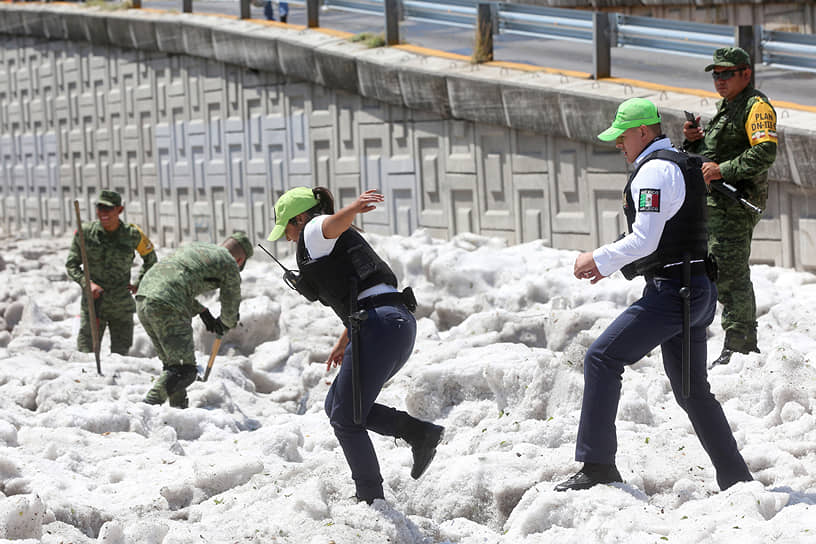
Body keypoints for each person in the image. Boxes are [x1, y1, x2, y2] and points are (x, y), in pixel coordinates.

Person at [555, 98, 752, 492]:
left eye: (622, 136)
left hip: (673, 294)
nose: (618, 144)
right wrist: (610, 263)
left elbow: (645, 239)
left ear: (643, 131)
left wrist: (597, 257)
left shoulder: (655, 171)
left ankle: (597, 465)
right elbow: (661, 236)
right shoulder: (676, 161)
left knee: (601, 358)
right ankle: (737, 479)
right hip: (695, 291)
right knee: (693, 392)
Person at [267, 186, 444, 504]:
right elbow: (362, 292)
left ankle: (370, 497)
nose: (289, 237)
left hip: (379, 327)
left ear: (301, 218)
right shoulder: (325, 239)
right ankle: (420, 434)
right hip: (393, 324)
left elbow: (329, 224)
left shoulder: (313, 229)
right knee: (336, 405)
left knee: (346, 419)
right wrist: (343, 341)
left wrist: (353, 208)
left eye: (288, 228)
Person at [683, 47, 778, 366]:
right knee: (719, 271)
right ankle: (736, 342)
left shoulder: (756, 107)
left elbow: (765, 152)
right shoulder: (727, 108)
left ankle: (741, 346)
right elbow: (711, 154)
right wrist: (695, 141)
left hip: (737, 204)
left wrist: (724, 170)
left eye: (726, 74)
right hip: (717, 205)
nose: (719, 80)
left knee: (731, 274)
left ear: (746, 74)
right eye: (716, 74)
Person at [136, 232, 253, 408]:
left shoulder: (197, 248)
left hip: (144, 298)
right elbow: (231, 303)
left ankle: (179, 410)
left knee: (173, 367)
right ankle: (145, 408)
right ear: (240, 260)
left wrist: (202, 311)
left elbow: (175, 280)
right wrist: (225, 323)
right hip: (168, 303)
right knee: (185, 371)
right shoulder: (228, 263)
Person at [66, 189, 157, 356]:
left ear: (119, 210)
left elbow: (151, 260)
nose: (104, 213)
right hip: (94, 306)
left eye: (108, 208)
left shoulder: (132, 234)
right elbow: (71, 265)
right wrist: (88, 284)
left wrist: (139, 283)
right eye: (100, 208)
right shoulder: (85, 233)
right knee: (86, 355)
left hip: (121, 307)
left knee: (121, 358)